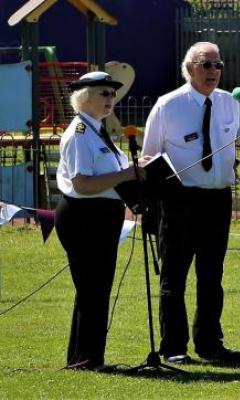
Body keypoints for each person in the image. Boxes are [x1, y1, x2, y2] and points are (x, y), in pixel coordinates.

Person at [141, 41, 240, 364]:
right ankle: (173, 347)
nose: (213, 71)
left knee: (212, 276)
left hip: (218, 199)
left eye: (218, 65)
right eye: (206, 64)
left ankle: (210, 343)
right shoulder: (167, 105)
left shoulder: (230, 104)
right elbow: (148, 157)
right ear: (189, 69)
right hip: (179, 201)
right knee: (175, 276)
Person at [55, 71, 146, 370]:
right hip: (84, 217)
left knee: (96, 289)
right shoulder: (81, 132)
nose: (111, 99)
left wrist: (137, 167)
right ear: (84, 98)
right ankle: (86, 358)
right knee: (91, 288)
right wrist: (125, 174)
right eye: (103, 93)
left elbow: (113, 169)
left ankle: (87, 356)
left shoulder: (97, 130)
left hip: (102, 216)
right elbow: (82, 183)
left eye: (112, 94)